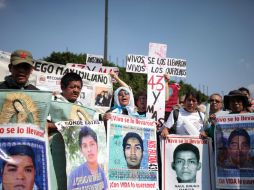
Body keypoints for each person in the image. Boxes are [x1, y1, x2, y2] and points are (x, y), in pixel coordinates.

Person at [48, 72, 84, 190]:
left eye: (78, 87)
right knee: (57, 182)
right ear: (62, 87)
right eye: (72, 87)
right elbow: (44, 125)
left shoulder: (82, 107)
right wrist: (63, 126)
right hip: (56, 151)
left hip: (76, 154)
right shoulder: (52, 102)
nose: (76, 90)